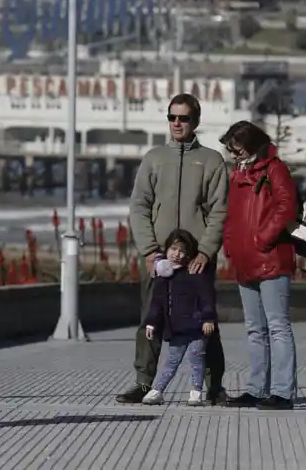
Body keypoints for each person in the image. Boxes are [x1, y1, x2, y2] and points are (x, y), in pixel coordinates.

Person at [117, 92, 229, 405]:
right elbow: (139, 206)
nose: (177, 123)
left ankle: (214, 386)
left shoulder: (211, 161)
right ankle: (143, 383)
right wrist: (150, 250)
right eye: (172, 117)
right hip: (159, 257)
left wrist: (205, 251)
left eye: (184, 118)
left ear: (196, 121)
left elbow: (220, 211)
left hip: (196, 260)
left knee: (206, 319)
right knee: (150, 317)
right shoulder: (154, 158)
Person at [220, 121, 298, 411]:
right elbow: (232, 215)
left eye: (237, 149)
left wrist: (262, 238)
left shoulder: (274, 169)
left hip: (271, 258)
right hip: (245, 259)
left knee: (277, 326)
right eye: (231, 150)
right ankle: (256, 388)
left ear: (252, 145)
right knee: (255, 329)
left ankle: (282, 392)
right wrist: (231, 245)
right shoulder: (237, 173)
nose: (234, 155)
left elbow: (286, 206)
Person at [141, 229, 217, 406]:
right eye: (173, 249)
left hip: (197, 327)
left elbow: (207, 298)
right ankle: (157, 390)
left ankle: (196, 392)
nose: (177, 254)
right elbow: (157, 303)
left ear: (188, 254)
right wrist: (151, 323)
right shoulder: (163, 277)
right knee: (172, 360)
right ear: (167, 249)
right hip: (176, 328)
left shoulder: (195, 274)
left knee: (196, 358)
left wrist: (208, 318)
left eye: (182, 251)